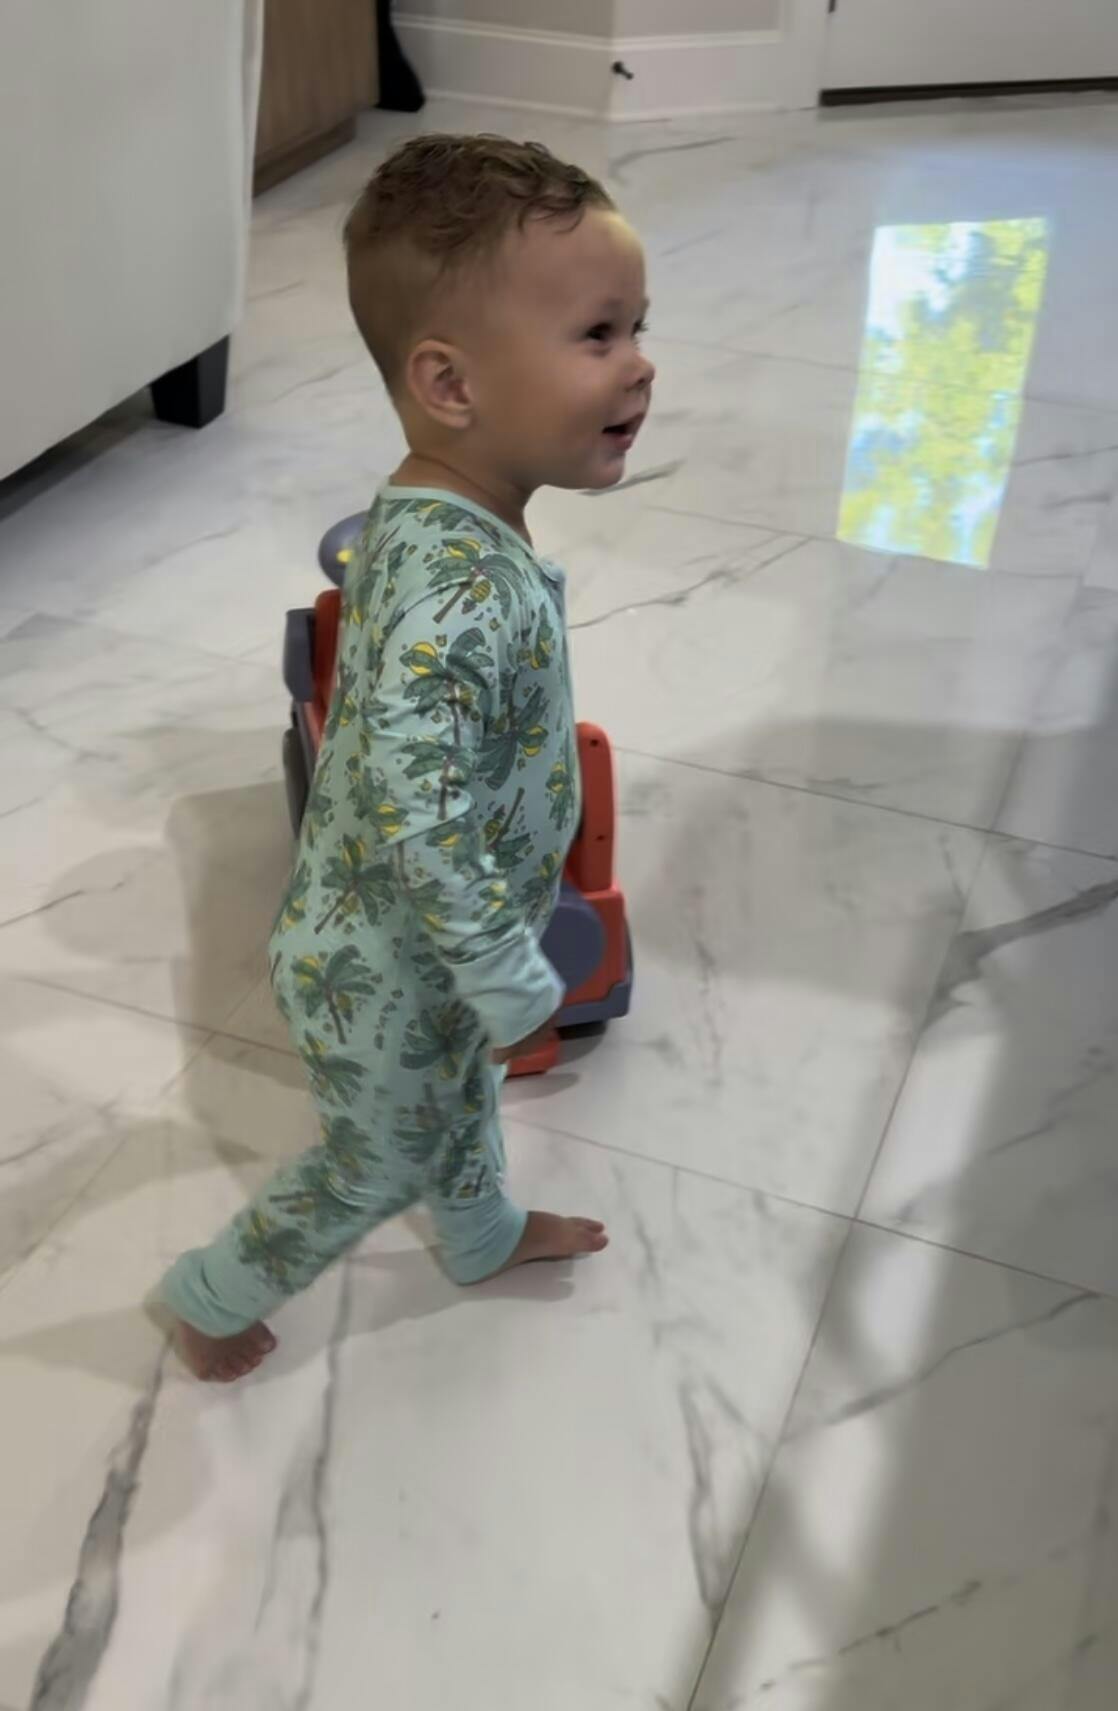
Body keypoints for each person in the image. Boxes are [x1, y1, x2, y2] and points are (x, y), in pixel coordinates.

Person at [162, 133, 654, 1380]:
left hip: (419, 948)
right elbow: (414, 804)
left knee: (459, 1094)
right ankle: (210, 1296)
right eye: (596, 336)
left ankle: (480, 1232)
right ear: (450, 384)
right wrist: (497, 961)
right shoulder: (453, 591)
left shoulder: (438, 511)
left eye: (634, 327)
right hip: (381, 964)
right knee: (374, 1158)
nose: (639, 364)